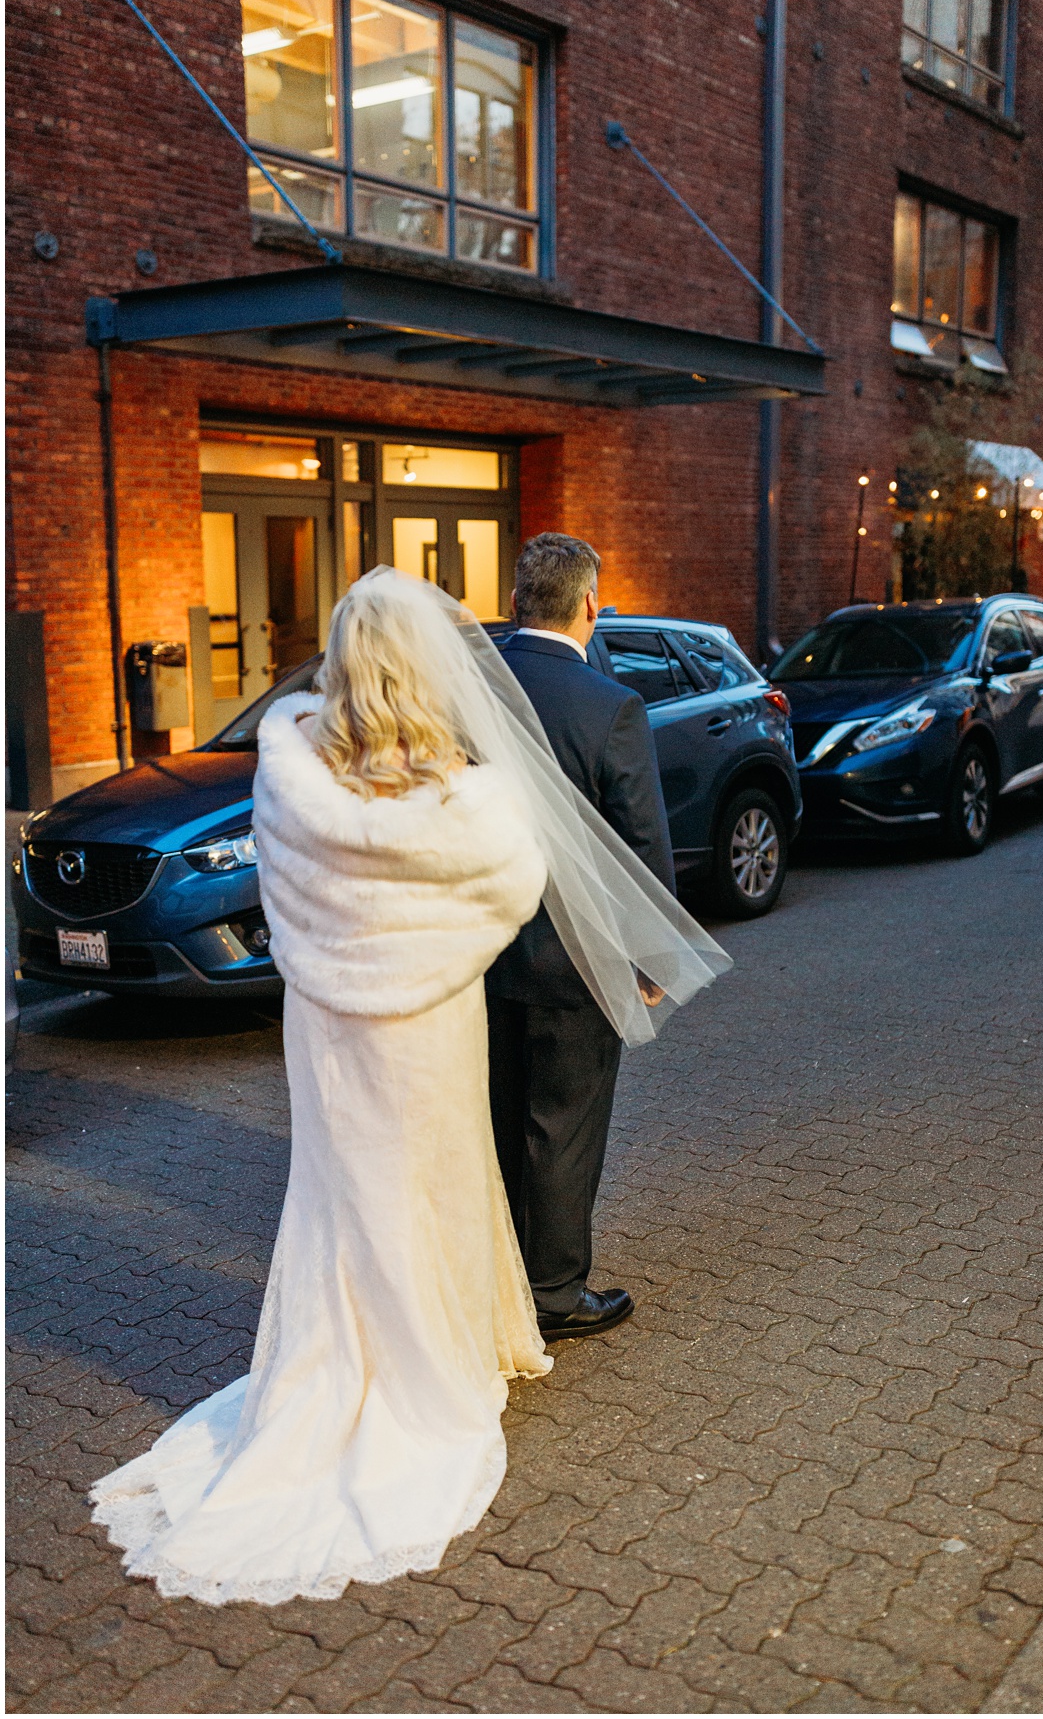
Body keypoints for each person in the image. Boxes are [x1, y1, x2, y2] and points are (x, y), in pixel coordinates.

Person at [88, 568, 728, 1607]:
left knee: (341, 1199)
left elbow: (275, 898)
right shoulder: (462, 797)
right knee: (429, 1192)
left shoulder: (289, 771)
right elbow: (514, 891)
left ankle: (337, 1362)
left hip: (325, 1030)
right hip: (424, 1026)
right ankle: (431, 1362)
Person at [487, 533, 673, 1342]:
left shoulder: (472, 688)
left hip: (478, 952)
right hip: (574, 958)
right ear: (591, 606)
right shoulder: (611, 706)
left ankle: (493, 1277)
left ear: (518, 598)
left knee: (497, 1117)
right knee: (562, 1124)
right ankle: (555, 1293)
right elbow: (642, 845)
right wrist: (653, 956)